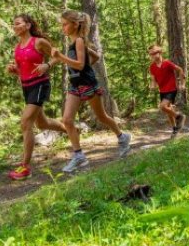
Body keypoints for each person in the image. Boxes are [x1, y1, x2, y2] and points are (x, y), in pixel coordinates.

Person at [51, 10, 131, 172]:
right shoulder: (73, 43)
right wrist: (83, 61)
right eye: (62, 24)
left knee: (102, 117)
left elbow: (80, 65)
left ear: (75, 24)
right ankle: (79, 155)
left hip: (87, 84)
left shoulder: (79, 41)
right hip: (75, 85)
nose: (63, 28)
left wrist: (60, 57)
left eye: (65, 24)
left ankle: (122, 137)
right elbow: (94, 57)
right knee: (67, 120)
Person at [5, 14, 66, 180]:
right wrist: (14, 70)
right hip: (27, 87)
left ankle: (25, 167)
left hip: (40, 84)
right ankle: (71, 130)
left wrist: (47, 65)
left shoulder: (38, 42)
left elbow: (57, 56)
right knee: (42, 123)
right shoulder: (17, 47)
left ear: (28, 25)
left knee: (26, 122)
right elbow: (23, 69)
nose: (14, 26)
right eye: (13, 24)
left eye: (17, 23)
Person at [147, 44, 186, 136]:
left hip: (171, 89)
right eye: (151, 54)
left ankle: (179, 116)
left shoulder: (167, 63)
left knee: (163, 107)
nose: (152, 55)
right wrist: (152, 86)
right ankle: (175, 129)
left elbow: (180, 70)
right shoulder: (152, 67)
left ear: (159, 53)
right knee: (168, 110)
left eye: (154, 53)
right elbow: (153, 80)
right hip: (162, 91)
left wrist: (182, 83)